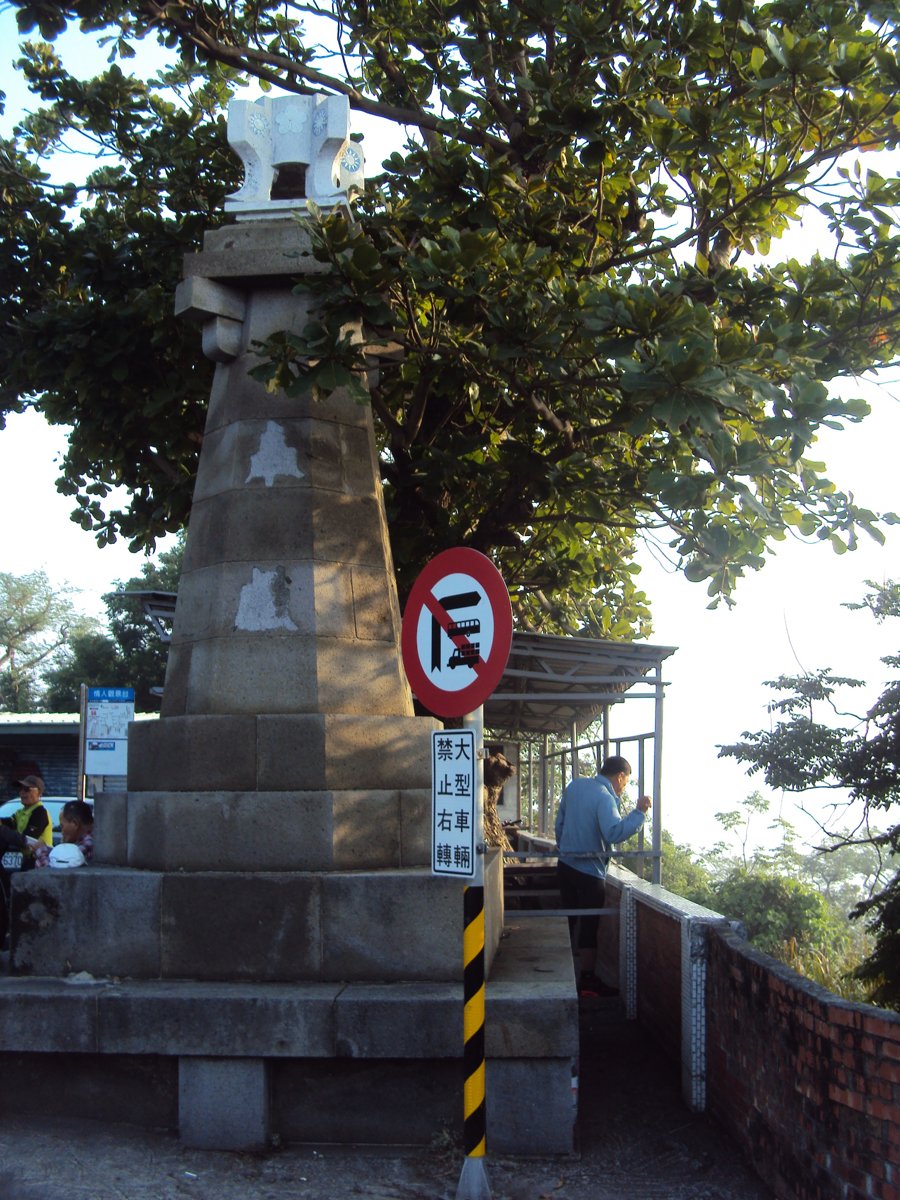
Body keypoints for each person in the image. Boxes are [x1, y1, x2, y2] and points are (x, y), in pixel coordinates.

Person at [554, 755, 651, 998]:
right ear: (620, 776)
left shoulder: (575, 785)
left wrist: (566, 848)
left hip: (565, 866)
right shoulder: (605, 797)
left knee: (567, 922)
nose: (624, 787)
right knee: (589, 927)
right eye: (626, 782)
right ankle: (586, 982)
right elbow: (614, 832)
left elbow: (560, 823)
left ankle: (560, 976)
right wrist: (639, 813)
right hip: (590, 872)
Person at [34, 800, 94, 868]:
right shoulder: (91, 839)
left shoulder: (88, 843)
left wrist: (41, 850)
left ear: (75, 823)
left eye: (62, 826)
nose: (62, 832)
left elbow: (54, 871)